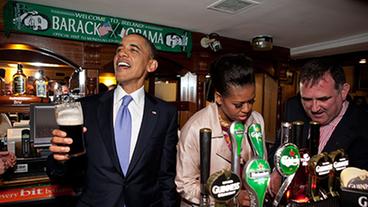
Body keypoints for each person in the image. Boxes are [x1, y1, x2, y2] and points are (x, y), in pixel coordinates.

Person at [47, 33, 179, 207]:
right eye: (119, 50)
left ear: (151, 65)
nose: (121, 54)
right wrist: (61, 160)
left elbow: (166, 176)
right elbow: (64, 175)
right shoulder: (84, 108)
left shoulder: (165, 113)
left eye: (133, 49)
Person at [176, 54, 266, 206]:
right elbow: (185, 185)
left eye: (251, 101)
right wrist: (227, 197)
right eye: (238, 104)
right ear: (218, 97)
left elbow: (260, 166)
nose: (247, 109)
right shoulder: (195, 128)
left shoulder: (256, 120)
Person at [268, 58, 368, 196]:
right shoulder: (293, 108)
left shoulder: (362, 125)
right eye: (307, 99)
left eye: (323, 99)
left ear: (343, 91)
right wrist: (277, 170)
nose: (314, 108)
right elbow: (277, 149)